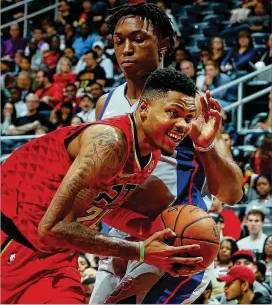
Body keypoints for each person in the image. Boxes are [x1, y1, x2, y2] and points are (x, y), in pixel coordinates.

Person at [1, 68, 205, 304]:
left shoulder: (150, 154)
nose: (182, 125)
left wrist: (162, 235)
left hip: (56, 254)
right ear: (144, 109)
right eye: (173, 113)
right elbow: (53, 227)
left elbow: (101, 206)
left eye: (189, 118)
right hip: (13, 239)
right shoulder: (110, 142)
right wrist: (140, 251)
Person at [91, 2, 243, 304]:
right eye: (119, 41)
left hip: (176, 238)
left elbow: (232, 191)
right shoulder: (105, 104)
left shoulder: (192, 104)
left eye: (138, 38)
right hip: (118, 241)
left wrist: (206, 146)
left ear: (164, 43)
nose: (126, 49)